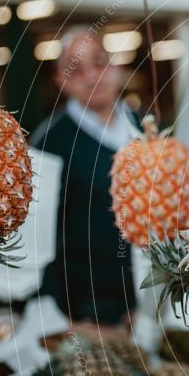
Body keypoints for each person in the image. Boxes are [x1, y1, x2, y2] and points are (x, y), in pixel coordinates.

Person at [30, 27, 139, 324]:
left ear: (115, 66)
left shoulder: (144, 127)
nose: (92, 77)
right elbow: (40, 236)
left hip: (150, 299)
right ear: (59, 81)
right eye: (75, 70)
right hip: (91, 310)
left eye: (99, 62)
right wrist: (66, 319)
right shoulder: (49, 143)